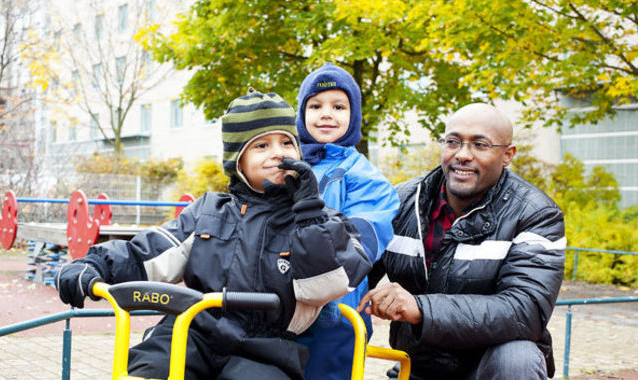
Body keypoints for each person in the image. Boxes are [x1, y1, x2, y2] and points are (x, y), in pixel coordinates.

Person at [55, 89, 372, 380]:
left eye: (287, 143)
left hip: (268, 346)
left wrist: (307, 211)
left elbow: (326, 286)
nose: (278, 153)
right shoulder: (208, 212)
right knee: (151, 368)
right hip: (195, 329)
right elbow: (151, 253)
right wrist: (95, 264)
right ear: (238, 161)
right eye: (262, 145)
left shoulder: (318, 218)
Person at [359, 103, 566, 380]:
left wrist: (420, 308)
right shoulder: (400, 202)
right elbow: (353, 273)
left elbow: (525, 310)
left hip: (490, 367)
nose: (463, 155)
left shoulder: (536, 214)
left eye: (480, 145)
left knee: (518, 358)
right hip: (418, 364)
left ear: (508, 155)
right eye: (453, 142)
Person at [294, 62, 400, 380]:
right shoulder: (286, 165)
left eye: (338, 106)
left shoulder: (364, 176)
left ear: (353, 115)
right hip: (281, 306)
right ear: (302, 113)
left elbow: (361, 244)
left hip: (335, 314)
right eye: (316, 106)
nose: (326, 114)